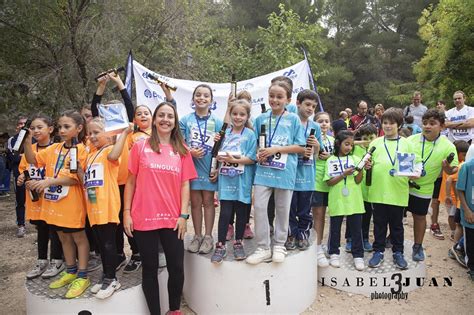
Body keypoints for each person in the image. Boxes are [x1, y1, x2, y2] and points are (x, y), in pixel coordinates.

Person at [124, 102, 197, 314]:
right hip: (143, 217)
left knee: (176, 268)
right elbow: (130, 181)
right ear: (155, 120)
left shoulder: (182, 151)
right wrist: (126, 213)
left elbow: (185, 185)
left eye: (170, 116)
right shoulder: (140, 146)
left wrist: (183, 215)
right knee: (150, 268)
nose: (166, 119)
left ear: (175, 123)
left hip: (172, 218)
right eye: (161, 115)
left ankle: (174, 310)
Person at [23, 110, 90, 298]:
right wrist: (28, 142)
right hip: (55, 203)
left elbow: (77, 179)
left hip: (73, 202)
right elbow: (32, 160)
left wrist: (48, 182)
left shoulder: (83, 150)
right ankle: (70, 271)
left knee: (78, 237)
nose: (61, 130)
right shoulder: (54, 148)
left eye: (66, 127)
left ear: (79, 128)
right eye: (60, 126)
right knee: (63, 237)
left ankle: (83, 275)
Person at [246, 80, 306, 264]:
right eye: (272, 96)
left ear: (288, 99)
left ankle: (279, 244)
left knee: (282, 209)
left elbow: (301, 147)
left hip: (285, 171)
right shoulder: (260, 119)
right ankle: (263, 247)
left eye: (279, 97)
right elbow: (254, 143)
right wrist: (259, 153)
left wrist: (275, 150)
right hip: (263, 171)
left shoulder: (294, 119)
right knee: (260, 208)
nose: (275, 100)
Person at [81, 118, 132, 299]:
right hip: (93, 208)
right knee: (102, 246)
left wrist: (125, 133)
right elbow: (84, 177)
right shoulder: (90, 154)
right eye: (90, 133)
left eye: (97, 132)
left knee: (109, 244)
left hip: (107, 206)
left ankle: (112, 279)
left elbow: (114, 156)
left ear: (108, 134)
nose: (92, 136)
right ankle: (105, 275)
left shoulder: (109, 151)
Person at [406, 109, 458, 261]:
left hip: (424, 187)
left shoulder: (448, 146)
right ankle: (393, 239)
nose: (427, 126)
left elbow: (453, 169)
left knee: (420, 217)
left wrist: (447, 168)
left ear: (441, 126)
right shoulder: (410, 140)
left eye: (432, 123)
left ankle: (417, 246)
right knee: (395, 215)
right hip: (402, 185)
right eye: (425, 123)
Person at [17, 114, 64, 280]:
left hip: (52, 197)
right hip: (36, 199)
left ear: (50, 130)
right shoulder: (30, 150)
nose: (35, 131)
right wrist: (22, 176)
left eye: (39, 127)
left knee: (54, 230)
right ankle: (41, 260)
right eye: (33, 128)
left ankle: (57, 260)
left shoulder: (58, 148)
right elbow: (25, 167)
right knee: (41, 230)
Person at [210, 99, 256, 263]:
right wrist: (215, 168)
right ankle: (220, 244)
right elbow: (216, 154)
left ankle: (238, 242)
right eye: (235, 114)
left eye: (242, 114)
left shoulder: (251, 134)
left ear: (247, 116)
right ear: (230, 115)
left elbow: (252, 158)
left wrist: (235, 159)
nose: (238, 117)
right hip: (226, 179)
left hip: (242, 180)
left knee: (242, 211)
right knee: (225, 212)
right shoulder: (223, 133)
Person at [367, 108, 414, 270]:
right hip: (378, 191)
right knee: (379, 223)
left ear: (399, 125)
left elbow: (413, 166)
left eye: (391, 123)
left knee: (397, 225)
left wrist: (417, 171)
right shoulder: (375, 143)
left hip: (398, 191)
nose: (387, 126)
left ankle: (398, 252)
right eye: (385, 123)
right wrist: (368, 166)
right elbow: (368, 164)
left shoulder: (407, 144)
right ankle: (378, 251)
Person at [180, 84, 223, 254]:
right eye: (198, 95)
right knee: (195, 203)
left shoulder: (217, 122)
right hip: (191, 166)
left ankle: (208, 237)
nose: (202, 98)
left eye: (206, 96)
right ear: (193, 98)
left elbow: (222, 147)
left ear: (211, 100)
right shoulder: (185, 120)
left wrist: (217, 168)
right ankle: (197, 236)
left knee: (208, 202)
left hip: (209, 166)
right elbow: (179, 143)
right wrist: (189, 151)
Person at [325, 130, 369, 271]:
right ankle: (334, 253)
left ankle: (358, 255)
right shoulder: (330, 160)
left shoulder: (355, 159)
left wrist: (361, 169)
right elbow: (329, 182)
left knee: (356, 229)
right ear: (338, 143)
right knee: (335, 228)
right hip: (337, 199)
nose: (349, 147)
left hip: (354, 199)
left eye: (351, 145)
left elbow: (357, 180)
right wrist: (343, 174)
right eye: (346, 144)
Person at [285, 90, 321, 251]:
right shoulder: (289, 123)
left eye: (313, 106)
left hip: (307, 176)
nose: (310, 109)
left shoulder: (315, 127)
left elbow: (318, 154)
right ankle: (291, 234)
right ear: (298, 103)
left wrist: (315, 145)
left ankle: (303, 234)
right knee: (289, 209)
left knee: (305, 210)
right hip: (290, 175)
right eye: (307, 104)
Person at [345, 123, 378, 253]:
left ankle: (364, 238)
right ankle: (350, 238)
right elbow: (346, 141)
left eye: (371, 138)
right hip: (356, 188)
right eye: (365, 137)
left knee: (367, 215)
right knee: (352, 214)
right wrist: (359, 141)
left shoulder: (379, 149)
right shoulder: (355, 148)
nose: (368, 141)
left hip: (370, 190)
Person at [312, 111, 334, 267]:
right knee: (318, 214)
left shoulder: (335, 140)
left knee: (333, 215)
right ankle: (317, 247)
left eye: (326, 121)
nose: (324, 124)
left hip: (334, 182)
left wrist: (330, 157)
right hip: (317, 181)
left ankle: (329, 245)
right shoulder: (312, 139)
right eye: (320, 121)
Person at [7, 116, 28, 237]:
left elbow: (37, 158)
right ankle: (21, 225)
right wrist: (26, 156)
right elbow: (14, 157)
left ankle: (40, 224)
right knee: (20, 200)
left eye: (25, 124)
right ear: (17, 127)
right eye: (20, 124)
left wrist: (22, 155)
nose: (22, 126)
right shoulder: (12, 140)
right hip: (18, 174)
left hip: (34, 174)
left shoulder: (35, 140)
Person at [456, 150, 474, 281]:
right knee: (471, 242)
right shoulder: (467, 167)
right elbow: (460, 189)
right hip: (470, 213)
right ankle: (472, 268)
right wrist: (467, 210)